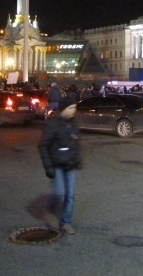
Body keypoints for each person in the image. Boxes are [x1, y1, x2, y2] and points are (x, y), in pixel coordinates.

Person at [38, 97, 82, 235]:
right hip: (56, 164)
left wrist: (78, 159)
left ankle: (66, 223)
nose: (73, 110)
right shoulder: (53, 124)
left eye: (74, 107)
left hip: (70, 164)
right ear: (63, 109)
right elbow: (43, 145)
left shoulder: (73, 123)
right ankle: (52, 206)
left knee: (70, 195)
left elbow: (76, 142)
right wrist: (48, 166)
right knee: (58, 193)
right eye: (70, 108)